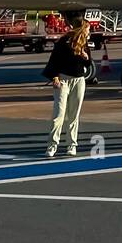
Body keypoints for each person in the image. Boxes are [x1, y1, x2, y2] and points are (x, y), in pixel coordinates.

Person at [42, 19, 94, 157]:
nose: (89, 31)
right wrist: (55, 77)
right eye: (87, 28)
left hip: (79, 80)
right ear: (81, 29)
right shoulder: (63, 42)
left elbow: (88, 63)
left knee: (74, 115)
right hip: (63, 79)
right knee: (59, 114)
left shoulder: (84, 43)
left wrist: (86, 57)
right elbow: (54, 61)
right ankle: (52, 145)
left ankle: (72, 145)